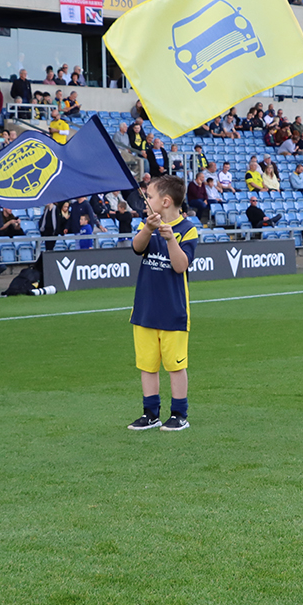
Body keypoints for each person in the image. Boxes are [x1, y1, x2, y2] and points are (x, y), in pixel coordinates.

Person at [126, 175, 199, 432]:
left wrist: (170, 239)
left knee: (175, 366)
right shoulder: (145, 224)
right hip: (145, 308)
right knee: (147, 365)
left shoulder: (187, 229)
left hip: (173, 310)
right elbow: (137, 248)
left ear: (165, 201)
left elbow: (181, 267)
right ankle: (150, 413)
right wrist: (148, 229)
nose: (146, 201)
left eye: (150, 196)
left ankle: (179, 413)